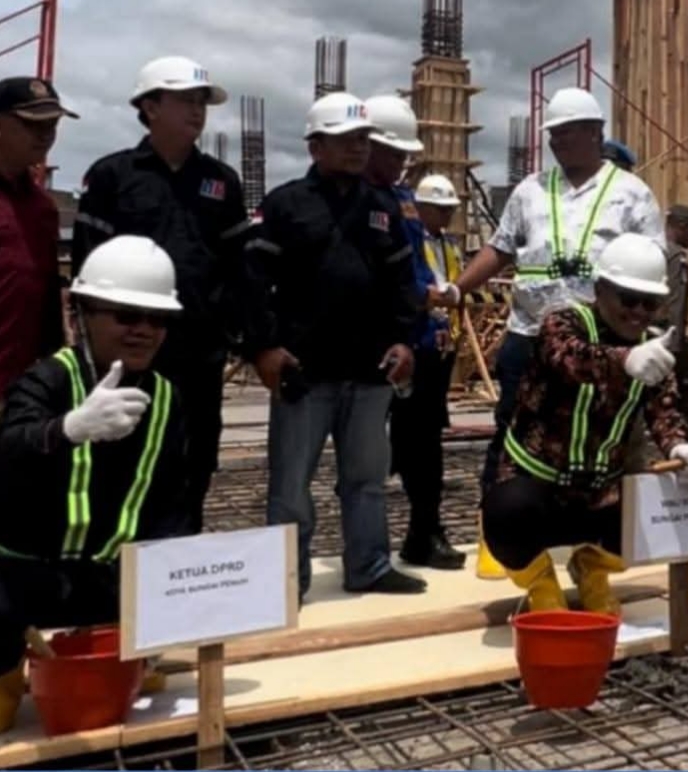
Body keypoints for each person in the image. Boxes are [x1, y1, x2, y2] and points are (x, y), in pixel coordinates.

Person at [451, 87, 662, 578]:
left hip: (602, 341)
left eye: (569, 132)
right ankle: (497, 537)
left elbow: (651, 267)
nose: (559, 141)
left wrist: (648, 333)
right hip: (532, 337)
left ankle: (597, 539)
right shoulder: (530, 190)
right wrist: (458, 289)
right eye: (554, 134)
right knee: (514, 435)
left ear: (596, 133)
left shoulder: (631, 193)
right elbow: (500, 249)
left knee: (603, 437)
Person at [0, 236, 190, 731]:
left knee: (113, 705)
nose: (144, 330)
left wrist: (165, 603)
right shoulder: (48, 380)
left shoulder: (166, 400)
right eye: (127, 315)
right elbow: (8, 447)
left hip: (104, 586)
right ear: (84, 313)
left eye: (157, 320)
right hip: (17, 582)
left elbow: (173, 507)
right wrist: (66, 429)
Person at [241, 92, 424, 601]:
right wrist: (264, 349)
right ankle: (286, 583)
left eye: (364, 139)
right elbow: (253, 282)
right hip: (305, 372)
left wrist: (405, 341)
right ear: (315, 146)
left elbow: (403, 285)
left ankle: (368, 566)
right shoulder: (285, 205)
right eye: (346, 140)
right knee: (290, 486)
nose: (358, 149)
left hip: (369, 372)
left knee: (366, 480)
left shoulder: (383, 208)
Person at [482, 233, 688, 614]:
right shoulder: (563, 323)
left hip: (597, 494)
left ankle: (591, 568)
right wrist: (624, 360)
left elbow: (663, 409)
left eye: (649, 303)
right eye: (628, 299)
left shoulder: (653, 348)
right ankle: (539, 581)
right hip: (538, 485)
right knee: (507, 514)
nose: (637, 312)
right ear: (601, 290)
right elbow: (568, 359)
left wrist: (678, 444)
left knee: (650, 515)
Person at [72, 56, 249, 534]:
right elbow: (87, 266)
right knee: (118, 456)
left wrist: (236, 331)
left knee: (194, 458)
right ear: (149, 107)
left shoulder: (221, 182)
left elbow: (239, 268)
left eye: (201, 102)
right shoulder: (112, 176)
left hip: (198, 353)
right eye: (184, 100)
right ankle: (113, 569)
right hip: (129, 353)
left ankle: (182, 560)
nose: (197, 111)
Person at [362, 96, 467, 571]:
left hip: (416, 346)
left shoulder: (405, 205)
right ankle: (359, 554)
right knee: (361, 458)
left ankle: (424, 532)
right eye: (391, 152)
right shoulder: (343, 198)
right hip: (358, 348)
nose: (399, 163)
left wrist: (434, 305)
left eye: (404, 155)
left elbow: (412, 272)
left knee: (421, 447)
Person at [0, 76, 76, 397]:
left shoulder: (43, 208)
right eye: (32, 124)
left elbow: (45, 296)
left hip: (18, 386)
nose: (46, 135)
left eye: (52, 124)